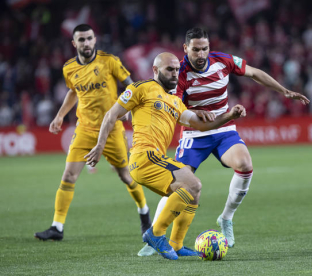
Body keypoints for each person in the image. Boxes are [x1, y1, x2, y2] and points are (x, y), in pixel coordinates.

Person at [138, 27, 310, 256]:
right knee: (179, 183)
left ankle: (226, 218)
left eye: (205, 49)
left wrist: (284, 91)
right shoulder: (178, 73)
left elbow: (255, 72)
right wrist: (199, 116)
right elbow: (175, 110)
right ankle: (156, 236)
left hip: (224, 128)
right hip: (193, 132)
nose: (201, 54)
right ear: (185, 48)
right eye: (196, 49)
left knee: (245, 164)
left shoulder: (223, 60)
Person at [84, 52, 246, 260]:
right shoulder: (140, 88)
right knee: (193, 184)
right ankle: (156, 233)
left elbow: (200, 125)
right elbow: (111, 115)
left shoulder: (176, 102)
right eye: (169, 69)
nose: (174, 74)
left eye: (177, 70)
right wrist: (99, 146)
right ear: (155, 70)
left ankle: (176, 244)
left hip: (157, 159)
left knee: (193, 192)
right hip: (144, 157)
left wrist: (229, 116)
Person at [34, 24, 151, 241]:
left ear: (95, 40)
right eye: (81, 40)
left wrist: (128, 107)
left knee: (126, 176)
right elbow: (72, 92)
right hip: (85, 129)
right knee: (68, 175)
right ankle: (56, 227)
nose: (86, 43)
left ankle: (144, 214)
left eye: (89, 38)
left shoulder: (109, 61)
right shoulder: (69, 68)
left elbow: (132, 86)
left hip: (112, 129)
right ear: (74, 43)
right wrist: (60, 115)